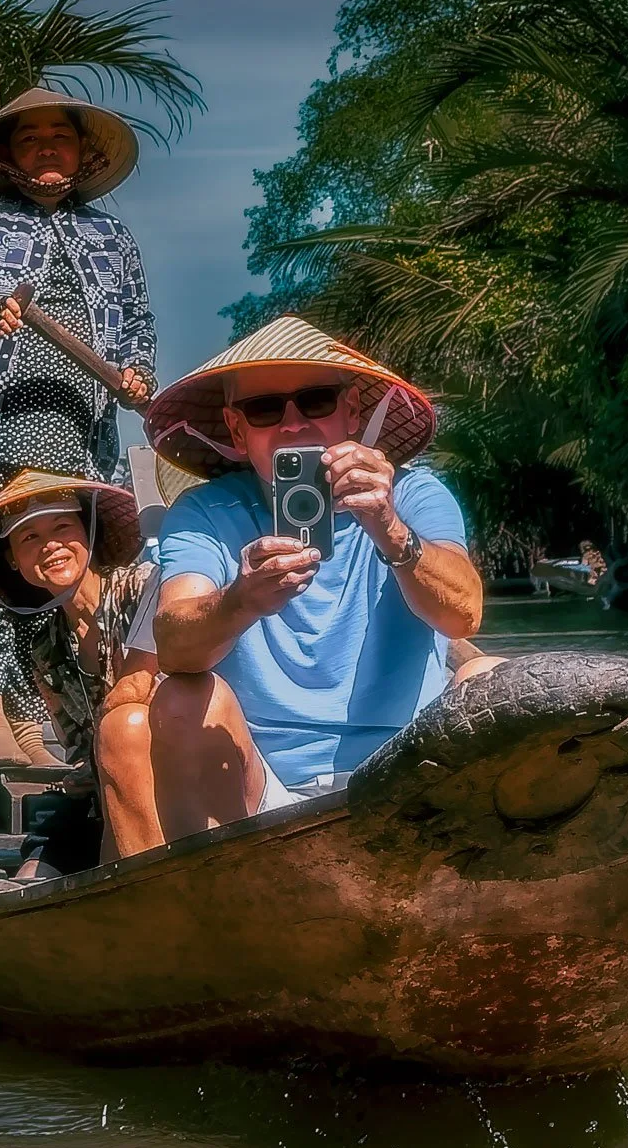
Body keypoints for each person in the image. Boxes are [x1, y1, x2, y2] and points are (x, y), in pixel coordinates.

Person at [142, 316, 500, 840]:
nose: (292, 425)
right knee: (178, 698)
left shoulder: (413, 494)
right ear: (237, 431)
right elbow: (174, 643)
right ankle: (217, 895)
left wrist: (390, 529)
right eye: (264, 410)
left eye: (315, 401)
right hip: (260, 782)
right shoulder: (207, 513)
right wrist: (241, 601)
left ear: (349, 412)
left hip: (410, 771)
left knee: (488, 677)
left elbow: (464, 613)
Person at [0, 88, 156, 769]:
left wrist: (136, 375)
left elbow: (135, 326)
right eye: (29, 137)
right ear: (8, 155)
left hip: (70, 430)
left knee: (47, 573)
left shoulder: (113, 238)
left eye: (59, 136)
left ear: (82, 152)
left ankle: (39, 721)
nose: (46, 147)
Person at [0, 470, 161, 873]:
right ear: (13, 559)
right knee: (35, 866)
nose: (51, 546)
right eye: (30, 538)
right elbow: (81, 748)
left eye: (62, 526)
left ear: (87, 532)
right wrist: (85, 773)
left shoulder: (144, 589)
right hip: (109, 798)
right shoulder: (46, 648)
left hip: (174, 784)